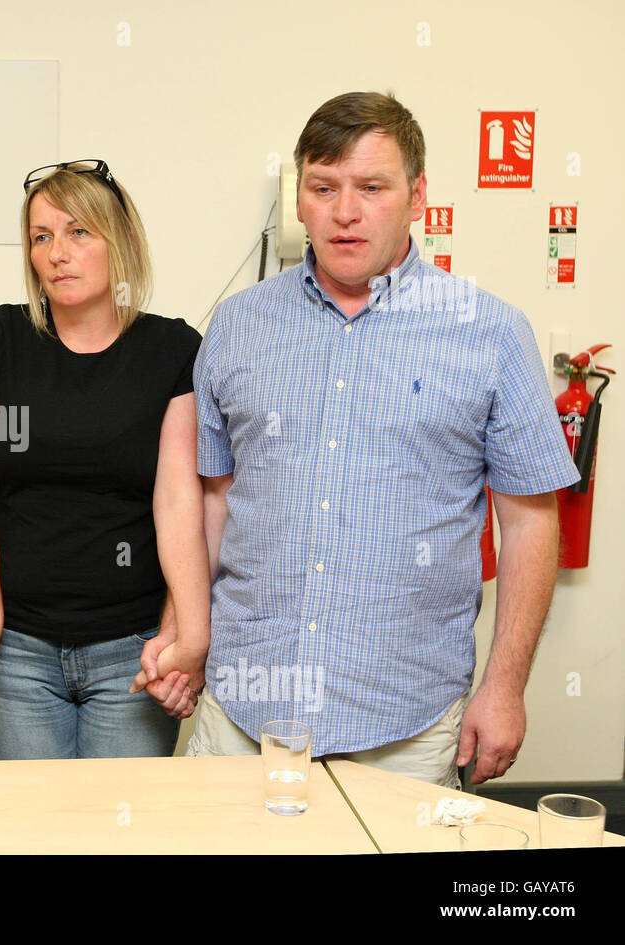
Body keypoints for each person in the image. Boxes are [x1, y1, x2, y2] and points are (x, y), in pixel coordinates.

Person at [189, 92, 578, 787]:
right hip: (242, 717)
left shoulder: (489, 333)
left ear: (417, 194)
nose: (345, 210)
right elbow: (215, 502)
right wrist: (190, 639)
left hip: (408, 726)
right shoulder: (236, 326)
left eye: (372, 187)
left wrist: (506, 686)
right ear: (298, 198)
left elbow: (528, 521)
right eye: (324, 187)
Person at [0, 159, 210, 760]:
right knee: (34, 840)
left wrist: (187, 634)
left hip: (133, 651)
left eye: (79, 231)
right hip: (18, 651)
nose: (58, 251)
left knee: (121, 844)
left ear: (122, 241)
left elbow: (178, 500)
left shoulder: (174, 350)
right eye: (42, 236)